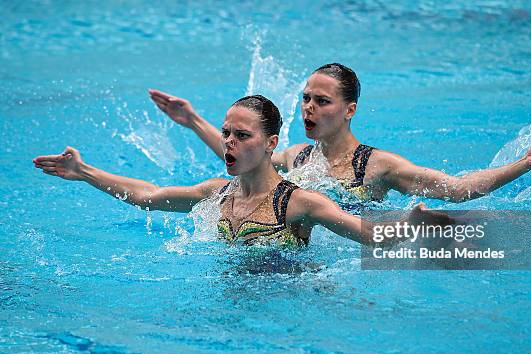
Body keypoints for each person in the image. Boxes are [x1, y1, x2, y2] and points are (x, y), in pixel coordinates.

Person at [33, 95, 450, 247]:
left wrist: (410, 225)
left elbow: (365, 234)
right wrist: (84, 171)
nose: (229, 141)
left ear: (270, 144)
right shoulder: (216, 193)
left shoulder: (300, 202)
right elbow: (147, 196)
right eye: (226, 133)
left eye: (241, 135)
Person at [150, 63, 531, 202]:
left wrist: (524, 164)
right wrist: (192, 121)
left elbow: (456, 190)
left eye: (322, 101)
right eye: (306, 98)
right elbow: (243, 155)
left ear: (349, 111)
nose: (309, 108)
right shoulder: (297, 157)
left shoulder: (378, 166)